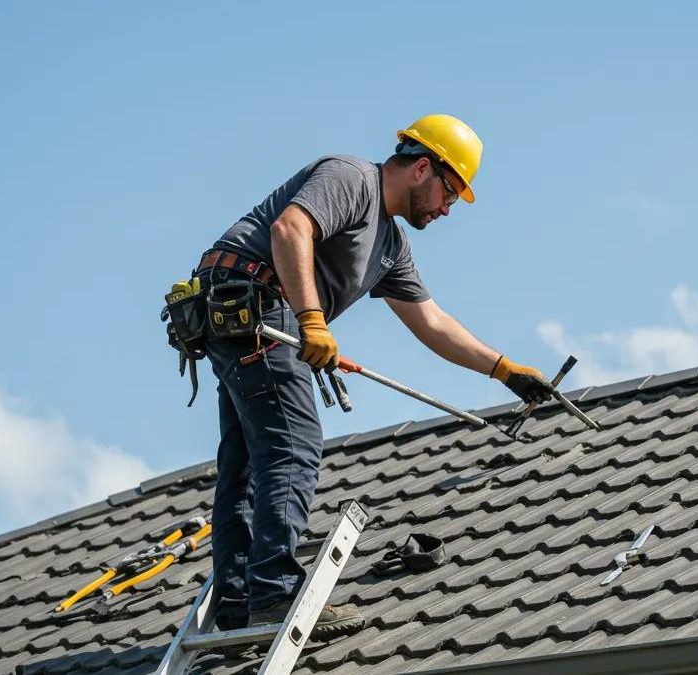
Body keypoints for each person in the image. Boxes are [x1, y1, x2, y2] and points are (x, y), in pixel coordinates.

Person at [193, 114, 555, 637]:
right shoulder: (351, 178)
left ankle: (237, 601)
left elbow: (431, 323)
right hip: (252, 304)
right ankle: (273, 594)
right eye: (450, 193)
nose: (448, 209)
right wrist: (311, 319)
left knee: (249, 460)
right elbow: (289, 229)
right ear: (422, 168)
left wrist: (505, 371)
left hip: (242, 317)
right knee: (293, 445)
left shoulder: (390, 248)